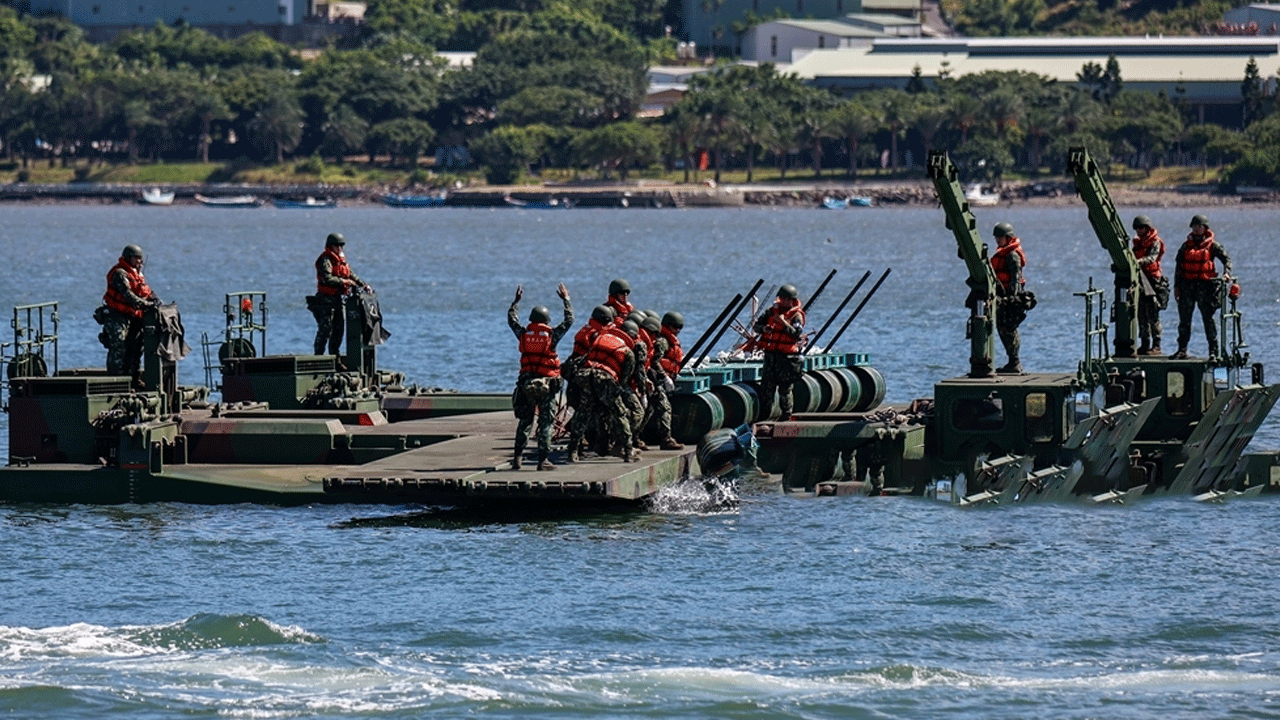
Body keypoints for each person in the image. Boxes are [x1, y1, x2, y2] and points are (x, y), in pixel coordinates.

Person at [508, 283, 573, 470]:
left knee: (525, 422)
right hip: (547, 386)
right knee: (546, 423)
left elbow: (511, 320)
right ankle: (543, 461)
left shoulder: (523, 334)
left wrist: (516, 302)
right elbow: (569, 320)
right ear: (546, 320)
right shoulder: (551, 336)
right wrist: (566, 300)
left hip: (526, 385)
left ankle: (517, 459)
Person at [574, 319, 640, 462]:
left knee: (582, 414)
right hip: (605, 379)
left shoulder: (601, 337)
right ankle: (628, 451)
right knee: (620, 413)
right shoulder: (627, 351)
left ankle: (573, 450)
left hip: (586, 376)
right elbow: (623, 379)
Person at [1171, 214, 1232, 359]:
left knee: (1208, 319)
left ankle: (1213, 350)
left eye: (1200, 226)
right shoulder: (1186, 246)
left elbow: (1226, 259)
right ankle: (1182, 349)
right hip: (1187, 286)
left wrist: (1226, 273)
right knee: (1184, 320)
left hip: (1205, 287)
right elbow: (1178, 267)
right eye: (1194, 226)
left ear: (1205, 228)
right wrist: (1176, 286)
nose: (1197, 229)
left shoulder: (1213, 245)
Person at [101, 244, 159, 381]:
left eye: (140, 259)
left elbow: (145, 291)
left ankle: (133, 378)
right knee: (118, 347)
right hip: (117, 316)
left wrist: (155, 299)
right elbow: (128, 295)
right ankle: (115, 380)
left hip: (132, 316)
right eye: (136, 258)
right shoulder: (120, 274)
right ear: (128, 258)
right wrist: (146, 304)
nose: (139, 262)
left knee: (136, 347)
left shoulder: (136, 274)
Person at [311, 232, 370, 357]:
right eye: (336, 246)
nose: (339, 249)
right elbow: (327, 278)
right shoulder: (326, 260)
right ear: (330, 246)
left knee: (339, 330)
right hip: (326, 300)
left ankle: (335, 357)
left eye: (340, 246)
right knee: (325, 329)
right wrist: (344, 282)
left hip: (338, 299)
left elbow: (351, 275)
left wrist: (362, 284)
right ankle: (318, 357)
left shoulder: (341, 261)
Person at [753, 284, 806, 421]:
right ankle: (764, 416)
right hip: (771, 356)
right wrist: (764, 329)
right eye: (782, 298)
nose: (784, 302)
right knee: (766, 388)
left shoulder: (796, 315)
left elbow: (796, 334)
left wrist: (783, 323)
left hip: (786, 359)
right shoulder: (771, 312)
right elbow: (756, 326)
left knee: (785, 389)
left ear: (792, 300)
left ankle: (786, 415)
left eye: (788, 299)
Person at [990, 222, 1029, 374]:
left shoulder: (1012, 255)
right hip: (1003, 296)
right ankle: (1012, 361)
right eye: (997, 238)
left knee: (1009, 329)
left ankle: (1014, 362)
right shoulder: (1004, 253)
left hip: (1010, 298)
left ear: (1008, 238)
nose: (998, 240)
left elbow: (1016, 278)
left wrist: (1011, 299)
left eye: (1001, 237)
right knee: (1002, 328)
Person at [646, 311, 686, 450]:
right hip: (655, 379)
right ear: (668, 326)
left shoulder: (671, 341)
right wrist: (665, 377)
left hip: (660, 379)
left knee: (648, 411)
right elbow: (654, 362)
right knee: (664, 407)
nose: (678, 331)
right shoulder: (663, 341)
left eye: (680, 328)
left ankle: (635, 438)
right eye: (675, 328)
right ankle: (666, 439)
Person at [1131, 215, 1168, 356]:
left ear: (1147, 228)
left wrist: (1138, 261)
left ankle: (1156, 345)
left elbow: (1153, 257)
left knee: (1153, 314)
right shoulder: (1138, 243)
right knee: (1141, 314)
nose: (1139, 231)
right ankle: (1145, 344)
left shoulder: (1155, 242)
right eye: (1137, 229)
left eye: (1141, 228)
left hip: (1153, 281)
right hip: (1140, 280)